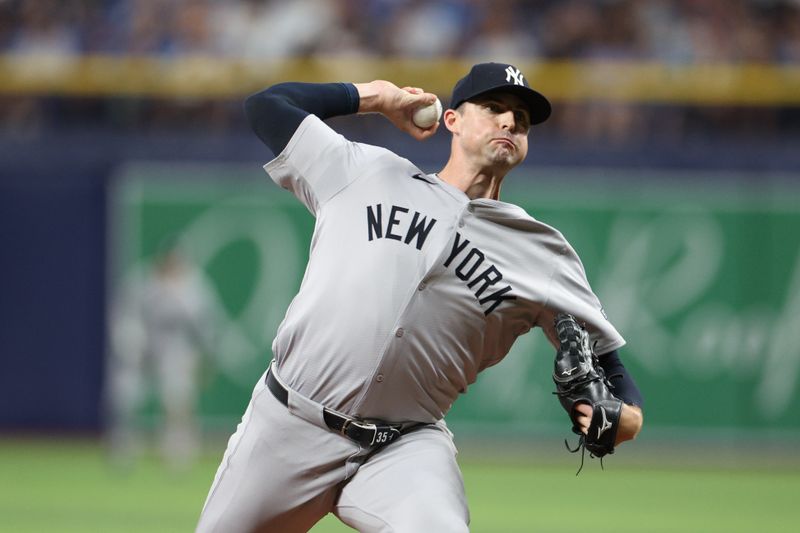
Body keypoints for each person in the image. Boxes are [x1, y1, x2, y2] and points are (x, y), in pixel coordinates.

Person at [196, 62, 644, 532]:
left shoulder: (542, 253)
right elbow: (266, 106)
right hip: (288, 423)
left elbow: (612, 370)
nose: (509, 122)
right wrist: (377, 97)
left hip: (403, 449)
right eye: (493, 108)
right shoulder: (366, 172)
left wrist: (627, 420)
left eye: (522, 119)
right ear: (451, 120)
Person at [108, 238, 217, 470]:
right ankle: (124, 449)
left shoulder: (193, 287)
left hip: (174, 349)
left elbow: (205, 327)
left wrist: (201, 357)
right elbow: (126, 318)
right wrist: (129, 345)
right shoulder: (143, 282)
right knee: (127, 392)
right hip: (144, 346)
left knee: (177, 398)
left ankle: (178, 452)